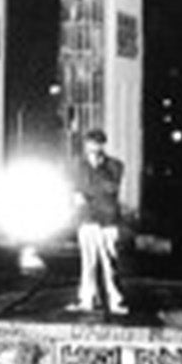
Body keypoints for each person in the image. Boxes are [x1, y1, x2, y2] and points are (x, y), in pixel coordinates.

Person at [71, 129, 127, 316]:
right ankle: (87, 299)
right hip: (87, 219)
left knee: (109, 262)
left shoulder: (114, 166)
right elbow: (76, 189)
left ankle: (115, 300)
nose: (94, 147)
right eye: (91, 143)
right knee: (88, 263)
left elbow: (109, 188)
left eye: (98, 143)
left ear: (103, 145)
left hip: (107, 220)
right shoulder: (79, 165)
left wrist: (87, 193)